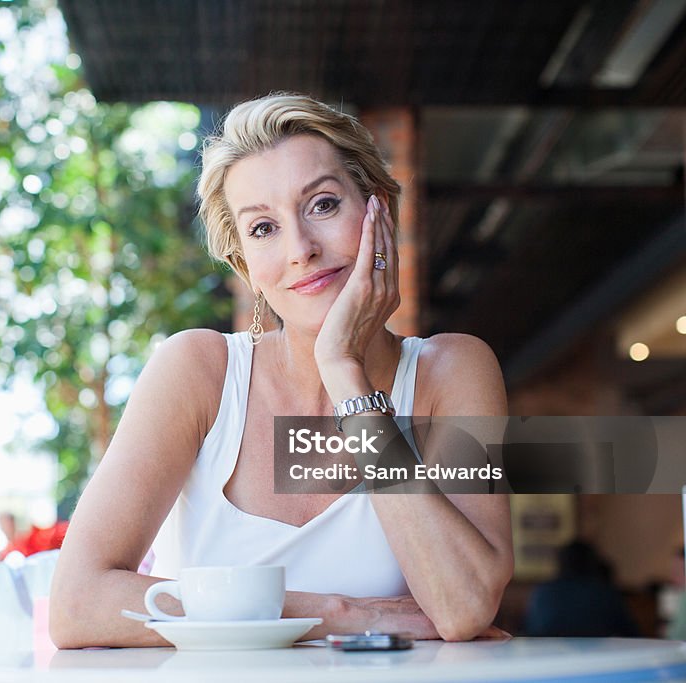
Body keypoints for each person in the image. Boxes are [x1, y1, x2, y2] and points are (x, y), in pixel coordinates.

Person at [50, 93, 513, 648]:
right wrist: (339, 613)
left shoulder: (452, 371)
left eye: (322, 204)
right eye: (263, 228)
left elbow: (463, 606)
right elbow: (77, 603)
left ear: (377, 210)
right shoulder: (199, 372)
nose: (300, 250)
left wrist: (344, 372)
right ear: (245, 265)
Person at [524, 540, 639, 637]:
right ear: (593, 562)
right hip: (596, 659)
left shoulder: (543, 592)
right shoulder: (603, 592)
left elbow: (529, 629)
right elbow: (632, 633)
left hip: (551, 658)